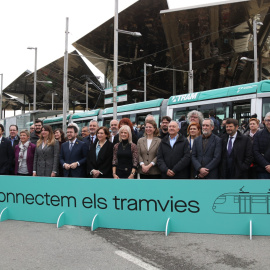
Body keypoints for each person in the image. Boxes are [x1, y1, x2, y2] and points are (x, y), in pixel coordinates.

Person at [253, 112, 270, 179]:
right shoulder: (258, 135)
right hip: (263, 170)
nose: (269, 122)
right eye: (267, 120)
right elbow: (255, 152)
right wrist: (266, 165)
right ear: (264, 122)